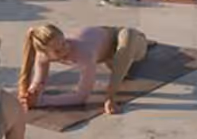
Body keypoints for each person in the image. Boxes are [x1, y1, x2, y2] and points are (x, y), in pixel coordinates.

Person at [17, 23, 150, 116]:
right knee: (115, 63)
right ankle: (121, 54)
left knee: (125, 46)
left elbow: (81, 97)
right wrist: (31, 94)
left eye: (64, 42)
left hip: (121, 36)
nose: (65, 49)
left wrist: (41, 102)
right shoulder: (42, 57)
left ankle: (111, 95)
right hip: (105, 53)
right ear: (45, 53)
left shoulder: (84, 54)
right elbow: (40, 82)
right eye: (58, 50)